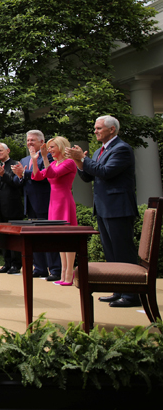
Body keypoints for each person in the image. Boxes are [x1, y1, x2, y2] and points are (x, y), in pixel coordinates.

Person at [66, 115, 139, 308]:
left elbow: (106, 172)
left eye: (99, 128)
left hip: (119, 207)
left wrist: (83, 158)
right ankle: (118, 289)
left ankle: (131, 294)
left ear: (112, 130)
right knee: (111, 252)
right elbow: (89, 177)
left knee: (123, 251)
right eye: (95, 128)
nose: (95, 131)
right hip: (104, 207)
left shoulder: (122, 149)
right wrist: (79, 163)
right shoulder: (99, 150)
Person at [12, 130, 60, 280]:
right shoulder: (24, 159)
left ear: (41, 142)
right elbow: (16, 181)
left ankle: (55, 269)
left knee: (48, 237)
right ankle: (39, 268)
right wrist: (19, 175)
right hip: (30, 204)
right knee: (35, 237)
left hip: (46, 202)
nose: (29, 143)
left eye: (32, 140)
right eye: (28, 140)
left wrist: (24, 174)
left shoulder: (49, 156)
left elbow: (46, 175)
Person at [32, 136, 78, 285]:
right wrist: (34, 160)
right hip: (54, 202)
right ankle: (63, 274)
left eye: (52, 147)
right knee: (60, 239)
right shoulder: (54, 163)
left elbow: (53, 174)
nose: (50, 150)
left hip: (64, 201)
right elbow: (37, 176)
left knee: (68, 239)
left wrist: (44, 158)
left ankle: (69, 274)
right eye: (49, 147)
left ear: (61, 147)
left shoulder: (69, 162)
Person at [0, 143, 25, 274]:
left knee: (14, 237)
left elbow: (17, 183)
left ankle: (16, 264)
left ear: (8, 150)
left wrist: (3, 175)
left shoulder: (16, 164)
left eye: (0, 150)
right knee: (2, 237)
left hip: (12, 206)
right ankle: (6, 263)